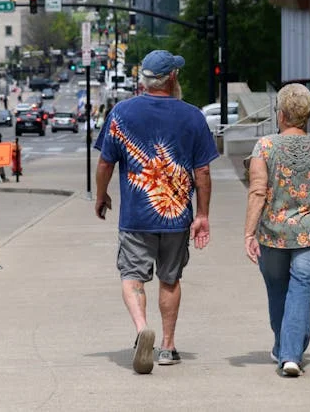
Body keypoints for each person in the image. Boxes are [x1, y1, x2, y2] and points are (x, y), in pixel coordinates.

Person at [94, 50, 219, 375]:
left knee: (132, 276)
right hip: (177, 217)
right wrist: (202, 214)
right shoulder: (193, 116)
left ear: (144, 80)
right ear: (172, 78)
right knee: (170, 279)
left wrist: (101, 195)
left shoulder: (121, 113)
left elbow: (106, 162)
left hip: (135, 217)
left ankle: (140, 330)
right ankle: (167, 346)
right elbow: (202, 172)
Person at [243, 83, 310, 377]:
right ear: (307, 115)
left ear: (282, 114)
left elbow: (258, 191)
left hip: (273, 233)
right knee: (301, 290)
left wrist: (249, 232)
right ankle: (289, 350)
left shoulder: (265, 147)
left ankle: (288, 352)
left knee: (278, 291)